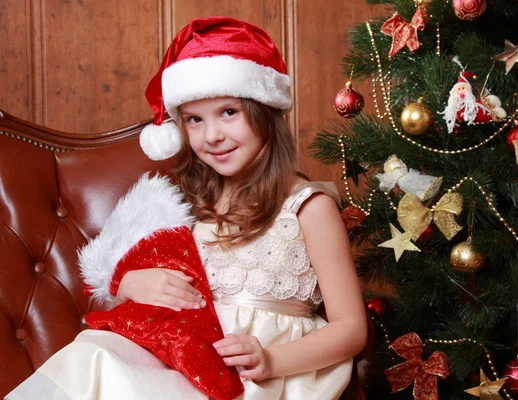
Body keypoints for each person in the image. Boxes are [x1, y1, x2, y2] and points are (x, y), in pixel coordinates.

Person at [6, 16, 367, 400]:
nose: (212, 135)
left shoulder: (308, 206)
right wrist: (127, 284)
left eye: (229, 112)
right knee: (95, 355)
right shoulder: (185, 205)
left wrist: (272, 359)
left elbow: (351, 327)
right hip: (185, 353)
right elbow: (139, 285)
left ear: (265, 111)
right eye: (194, 119)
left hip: (269, 371)